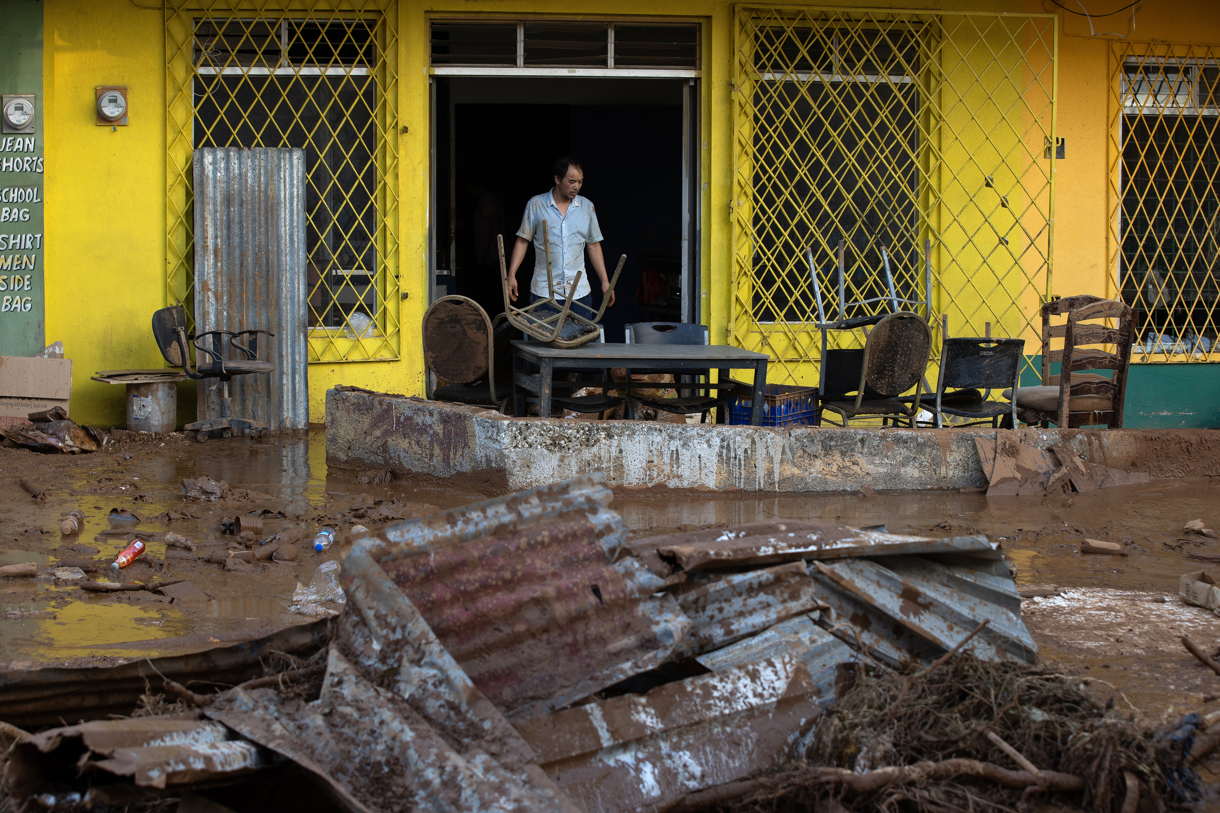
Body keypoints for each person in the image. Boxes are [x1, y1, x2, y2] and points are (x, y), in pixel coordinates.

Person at [506, 157, 615, 313]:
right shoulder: (536, 205)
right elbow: (523, 241)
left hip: (579, 293)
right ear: (557, 179)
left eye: (580, 182)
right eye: (571, 181)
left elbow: (593, 245)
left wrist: (605, 282)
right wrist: (512, 274)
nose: (576, 186)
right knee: (543, 337)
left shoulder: (587, 207)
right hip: (544, 291)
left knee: (579, 337)